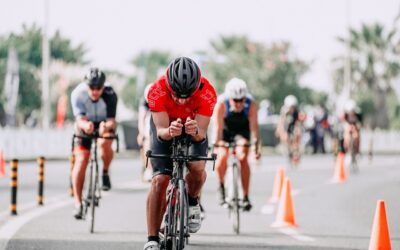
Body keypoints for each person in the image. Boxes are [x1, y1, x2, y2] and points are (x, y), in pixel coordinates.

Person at [143, 57, 217, 250]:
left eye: (187, 95)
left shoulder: (207, 93)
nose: (182, 100)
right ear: (168, 86)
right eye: (177, 95)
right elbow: (160, 131)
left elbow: (201, 134)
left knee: (197, 167)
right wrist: (169, 131)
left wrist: (195, 132)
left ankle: (193, 201)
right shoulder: (156, 91)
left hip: (193, 128)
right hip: (166, 128)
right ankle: (152, 239)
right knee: (160, 180)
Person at [70, 68, 118, 219]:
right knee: (81, 159)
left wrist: (107, 126)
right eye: (92, 87)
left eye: (98, 88)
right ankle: (78, 203)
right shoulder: (78, 94)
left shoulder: (110, 94)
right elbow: (79, 119)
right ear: (87, 85)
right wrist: (86, 126)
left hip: (104, 123)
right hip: (85, 123)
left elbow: (112, 120)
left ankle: (105, 172)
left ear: (103, 86)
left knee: (106, 143)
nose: (95, 91)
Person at [212, 78, 261, 211]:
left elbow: (254, 129)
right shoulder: (222, 103)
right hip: (226, 132)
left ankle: (245, 196)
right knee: (221, 156)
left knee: (243, 156)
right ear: (229, 98)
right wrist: (216, 145)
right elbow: (217, 128)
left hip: (241, 133)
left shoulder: (251, 104)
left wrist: (257, 147)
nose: (239, 103)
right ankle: (221, 186)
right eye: (235, 100)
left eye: (242, 100)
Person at [275, 95, 303, 164]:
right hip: (286, 126)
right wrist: (279, 130)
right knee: (286, 138)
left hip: (293, 125)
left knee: (296, 137)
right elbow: (281, 122)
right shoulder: (284, 111)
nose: (292, 109)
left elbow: (298, 123)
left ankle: (296, 153)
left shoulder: (296, 112)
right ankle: (289, 150)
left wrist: (298, 131)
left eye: (293, 107)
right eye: (290, 107)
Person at [137, 83, 153, 182]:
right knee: (147, 142)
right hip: (148, 125)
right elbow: (141, 118)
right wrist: (141, 134)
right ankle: (148, 168)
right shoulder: (144, 103)